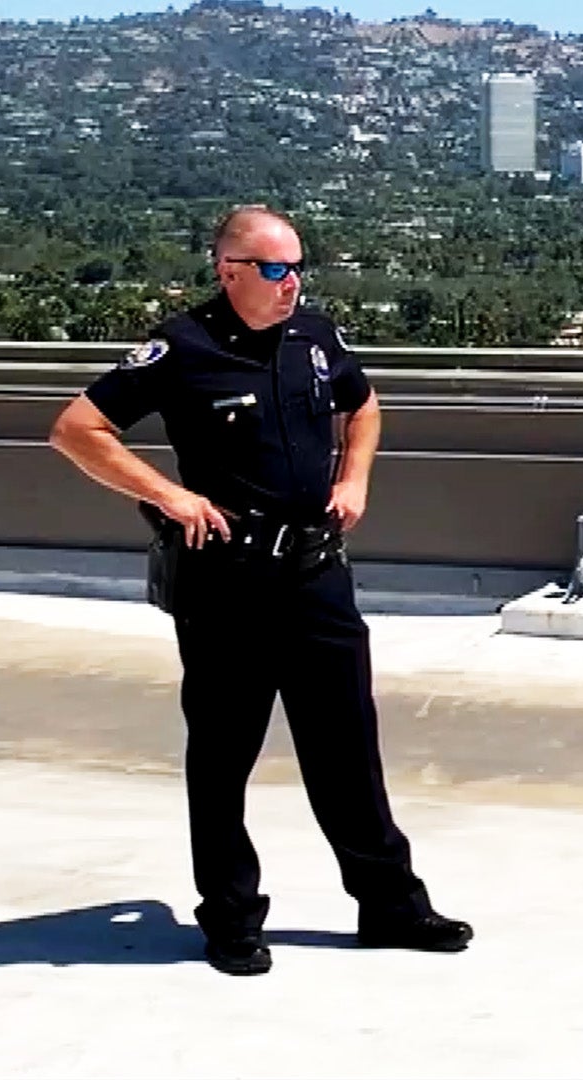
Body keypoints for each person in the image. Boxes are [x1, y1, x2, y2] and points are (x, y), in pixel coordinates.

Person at [48, 204, 472, 976]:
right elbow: (77, 429)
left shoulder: (315, 338)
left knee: (347, 751)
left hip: (316, 578)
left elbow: (365, 405)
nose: (292, 284)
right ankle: (232, 919)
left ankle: (390, 906)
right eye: (276, 270)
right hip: (227, 587)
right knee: (223, 757)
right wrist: (173, 498)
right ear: (230, 271)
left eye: (299, 268)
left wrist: (355, 477)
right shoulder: (183, 348)